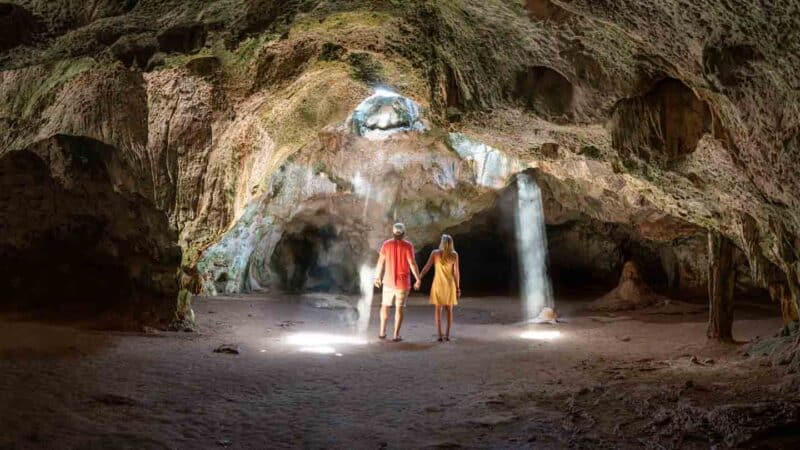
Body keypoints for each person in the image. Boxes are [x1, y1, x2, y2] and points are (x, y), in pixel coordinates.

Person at [373, 222, 421, 342]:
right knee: (399, 309)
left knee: (385, 306)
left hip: (388, 282)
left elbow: (380, 262)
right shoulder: (408, 246)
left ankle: (382, 332)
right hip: (403, 284)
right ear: (404, 233)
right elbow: (412, 263)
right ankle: (396, 335)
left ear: (393, 233)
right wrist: (418, 278)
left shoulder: (386, 244)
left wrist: (377, 277)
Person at [419, 234, 460, 342]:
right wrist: (458, 287)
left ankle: (439, 335)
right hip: (450, 285)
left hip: (438, 284)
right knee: (449, 311)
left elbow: (426, 267)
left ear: (442, 242)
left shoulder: (435, 253)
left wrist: (419, 277)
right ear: (451, 243)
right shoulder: (454, 255)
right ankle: (447, 335)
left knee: (438, 310)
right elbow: (456, 273)